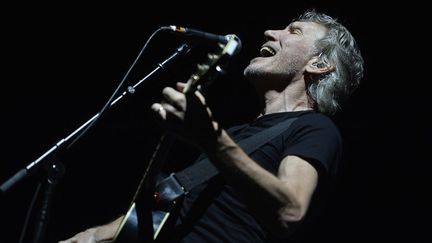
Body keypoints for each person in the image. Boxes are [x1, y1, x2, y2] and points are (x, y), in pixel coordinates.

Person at [60, 8, 364, 243]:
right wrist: (92, 236)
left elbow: (290, 210)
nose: (270, 32)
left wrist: (212, 138)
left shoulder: (315, 129)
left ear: (319, 64)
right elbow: (165, 209)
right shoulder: (236, 135)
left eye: (293, 31)